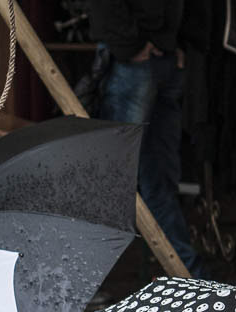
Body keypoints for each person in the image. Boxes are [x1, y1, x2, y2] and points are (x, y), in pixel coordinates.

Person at [89, 1, 208, 278]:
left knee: (156, 176)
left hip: (157, 54)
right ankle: (89, 279)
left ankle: (186, 276)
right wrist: (132, 45)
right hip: (136, 56)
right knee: (112, 176)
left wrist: (176, 44)